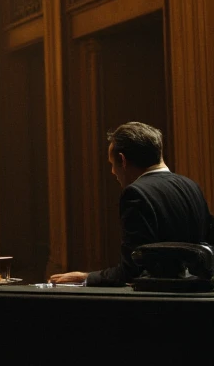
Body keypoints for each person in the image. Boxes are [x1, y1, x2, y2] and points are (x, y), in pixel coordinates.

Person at [50, 121, 214, 286]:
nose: (113, 172)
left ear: (123, 160)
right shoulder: (192, 187)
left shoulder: (135, 193)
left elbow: (133, 269)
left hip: (158, 303)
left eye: (112, 164)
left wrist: (87, 277)